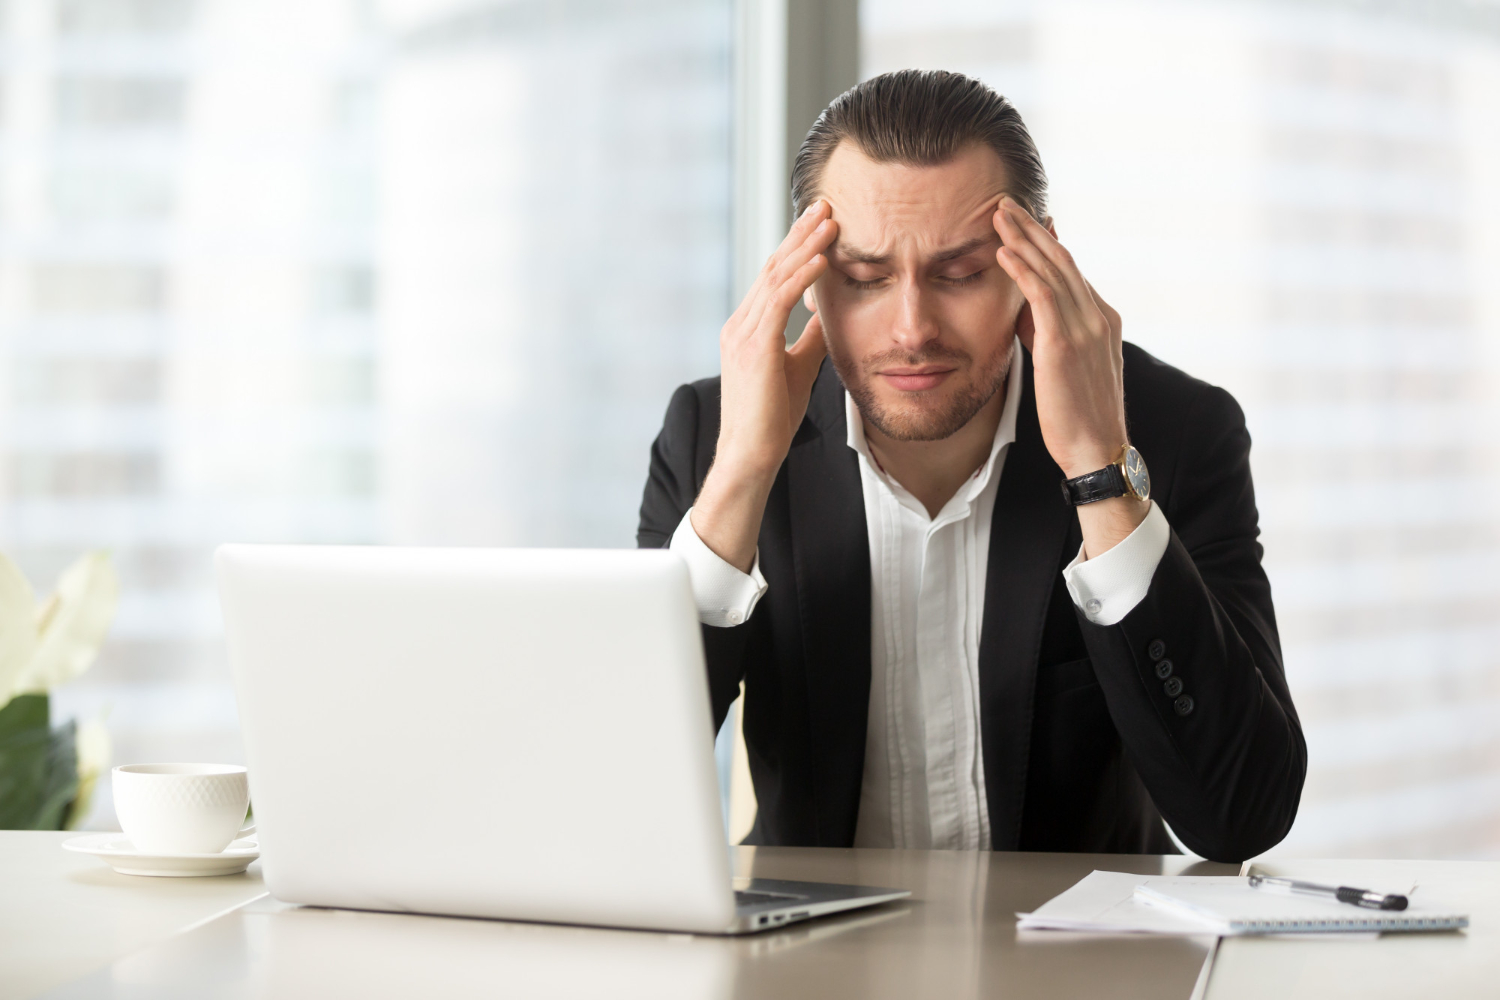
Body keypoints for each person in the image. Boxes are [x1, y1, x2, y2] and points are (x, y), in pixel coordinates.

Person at [637, 69, 1305, 863]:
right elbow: (619, 791)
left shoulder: (1173, 430)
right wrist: (744, 474)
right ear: (807, 282)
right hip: (812, 970)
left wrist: (1099, 471)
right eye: (863, 279)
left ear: (1038, 268)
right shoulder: (712, 435)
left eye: (959, 274)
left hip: (1080, 971)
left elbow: (1244, 814)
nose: (912, 329)